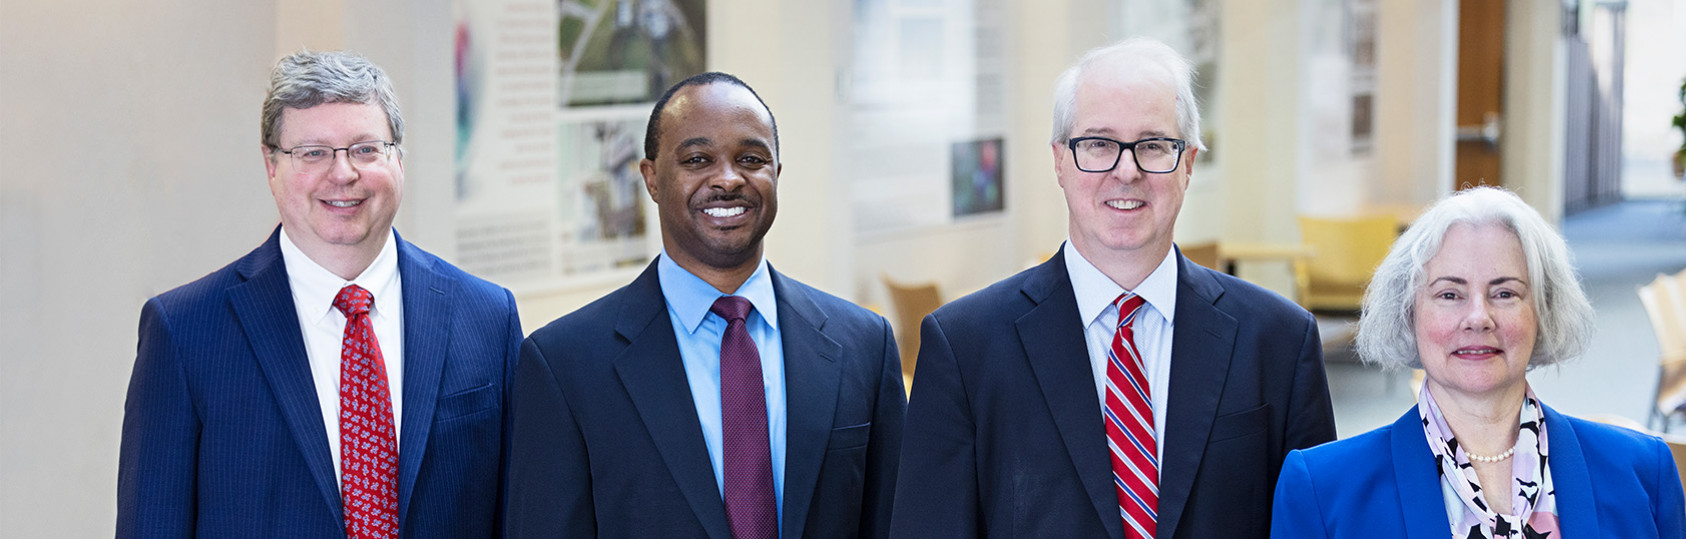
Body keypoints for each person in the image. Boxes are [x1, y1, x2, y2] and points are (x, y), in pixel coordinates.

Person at [892, 38, 1337, 538]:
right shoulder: (965, 348)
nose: (1127, 171)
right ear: (1059, 161)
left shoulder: (1279, 340)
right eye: (1098, 144)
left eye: (1153, 145)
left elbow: (1315, 525)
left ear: (1188, 163)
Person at [117, 50, 523, 538]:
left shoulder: (487, 317)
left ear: (399, 158)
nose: (343, 173)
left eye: (366, 149)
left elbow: (517, 516)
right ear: (271, 166)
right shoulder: (184, 332)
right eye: (312, 152)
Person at [505, 72, 906, 538]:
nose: (729, 179)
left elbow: (895, 522)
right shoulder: (563, 366)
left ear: (776, 173)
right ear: (651, 178)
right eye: (698, 159)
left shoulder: (864, 344)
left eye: (751, 159)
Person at [1268, 187, 1686, 538]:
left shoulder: (1640, 473)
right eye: (1449, 294)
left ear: (1542, 310)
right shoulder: (1324, 491)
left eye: (1504, 293)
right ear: (1408, 313)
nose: (1478, 317)